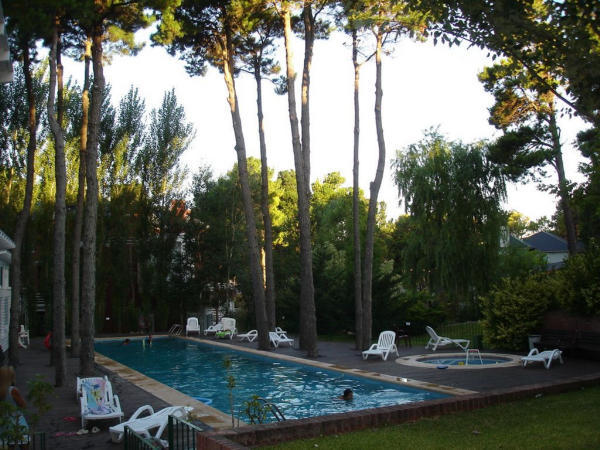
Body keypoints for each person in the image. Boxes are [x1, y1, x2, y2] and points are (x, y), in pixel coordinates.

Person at [0, 366, 29, 449]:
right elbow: (23, 405)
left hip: (3, 421)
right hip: (17, 421)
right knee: (24, 443)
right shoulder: (12, 390)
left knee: (7, 444)